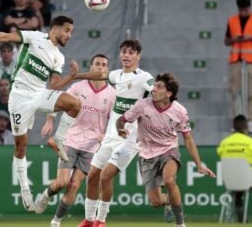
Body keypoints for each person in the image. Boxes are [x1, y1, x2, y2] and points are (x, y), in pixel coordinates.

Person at [0, 15, 107, 212]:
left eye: (71, 32)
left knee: (75, 104)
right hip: (20, 97)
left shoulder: (59, 57)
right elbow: (5, 36)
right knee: (20, 146)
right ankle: (25, 190)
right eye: (67, 30)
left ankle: (59, 138)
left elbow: (55, 85)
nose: (69, 35)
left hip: (40, 93)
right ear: (55, 28)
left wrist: (72, 76)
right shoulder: (35, 37)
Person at [116, 73, 216, 227]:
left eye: (159, 86)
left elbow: (188, 139)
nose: (153, 89)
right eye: (154, 85)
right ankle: (168, 201)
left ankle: (180, 224)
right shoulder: (142, 105)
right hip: (146, 154)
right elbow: (121, 119)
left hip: (168, 150)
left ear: (169, 93)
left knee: (169, 180)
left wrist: (199, 164)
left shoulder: (180, 111)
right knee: (156, 202)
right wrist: (120, 129)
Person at [77, 40, 155, 227]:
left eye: (131, 52)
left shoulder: (144, 77)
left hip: (130, 138)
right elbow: (99, 75)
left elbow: (158, 92)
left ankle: (101, 220)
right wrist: (75, 76)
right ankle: (89, 220)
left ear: (138, 56)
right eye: (124, 52)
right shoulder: (115, 75)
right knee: (93, 175)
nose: (127, 55)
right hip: (111, 135)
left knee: (105, 176)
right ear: (120, 55)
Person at [35, 54, 116, 227]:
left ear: (107, 69)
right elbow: (56, 100)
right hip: (70, 140)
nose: (101, 67)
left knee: (73, 185)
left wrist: (107, 135)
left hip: (92, 146)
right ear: (91, 68)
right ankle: (46, 195)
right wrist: (50, 120)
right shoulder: (78, 87)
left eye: (104, 65)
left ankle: (56, 222)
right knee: (62, 182)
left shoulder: (112, 94)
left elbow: (115, 122)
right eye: (97, 64)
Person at [224, 0, 252, 135]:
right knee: (234, 91)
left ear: (250, 7)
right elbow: (226, 41)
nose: (243, 12)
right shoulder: (232, 20)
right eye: (240, 10)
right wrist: (235, 39)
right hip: (236, 60)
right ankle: (237, 121)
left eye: (245, 9)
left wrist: (251, 38)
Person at [217, 114, 252, 223]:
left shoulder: (224, 143)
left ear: (233, 127)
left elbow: (220, 154)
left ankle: (241, 217)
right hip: (251, 180)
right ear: (246, 127)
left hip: (230, 180)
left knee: (239, 189)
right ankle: (242, 217)